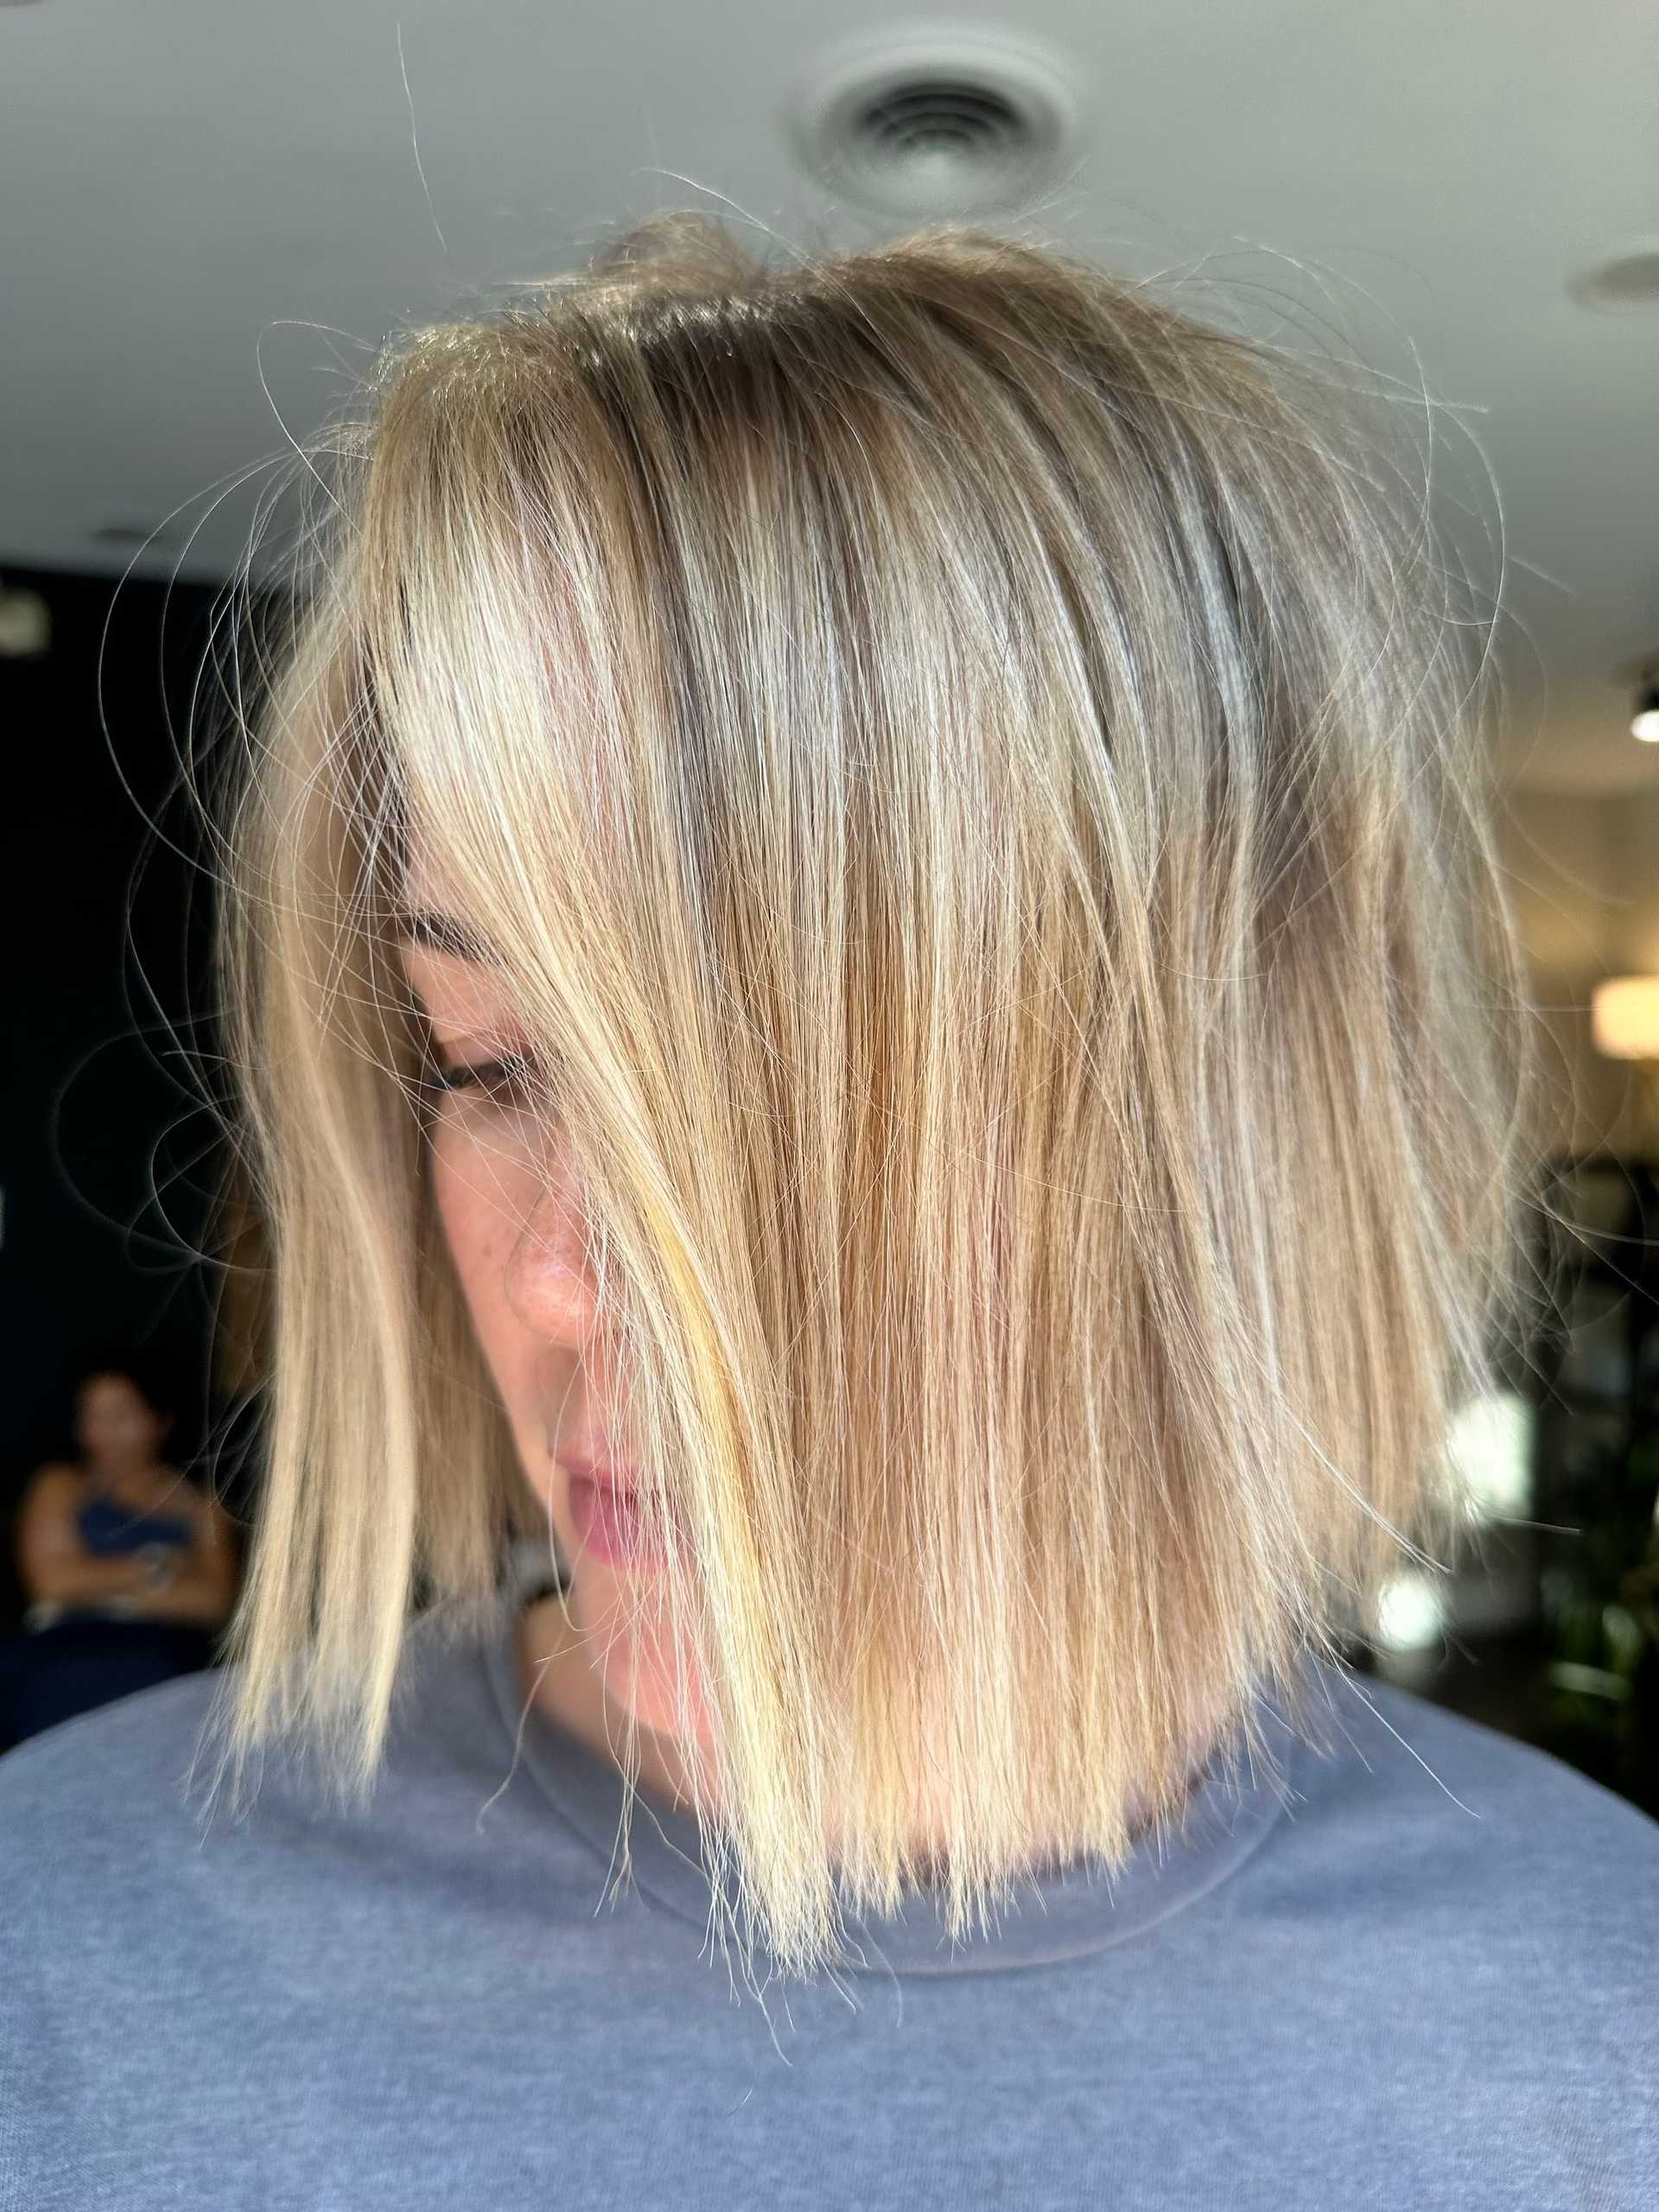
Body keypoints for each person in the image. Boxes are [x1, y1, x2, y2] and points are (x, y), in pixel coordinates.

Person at [1, 213, 1654, 2208]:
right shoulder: (75, 1968)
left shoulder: (1596, 2019)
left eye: (793, 1114)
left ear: (1238, 1134)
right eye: (491, 1060)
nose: (559, 1277)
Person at [0, 1359, 239, 1747]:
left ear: (160, 1421)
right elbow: (54, 1585)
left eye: (119, 1416)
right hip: (66, 1646)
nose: (99, 1433)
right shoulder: (61, 1485)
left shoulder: (202, 1506)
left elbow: (213, 1602)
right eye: (91, 1416)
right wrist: (159, 1565)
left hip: (164, 1656)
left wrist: (98, 1584)